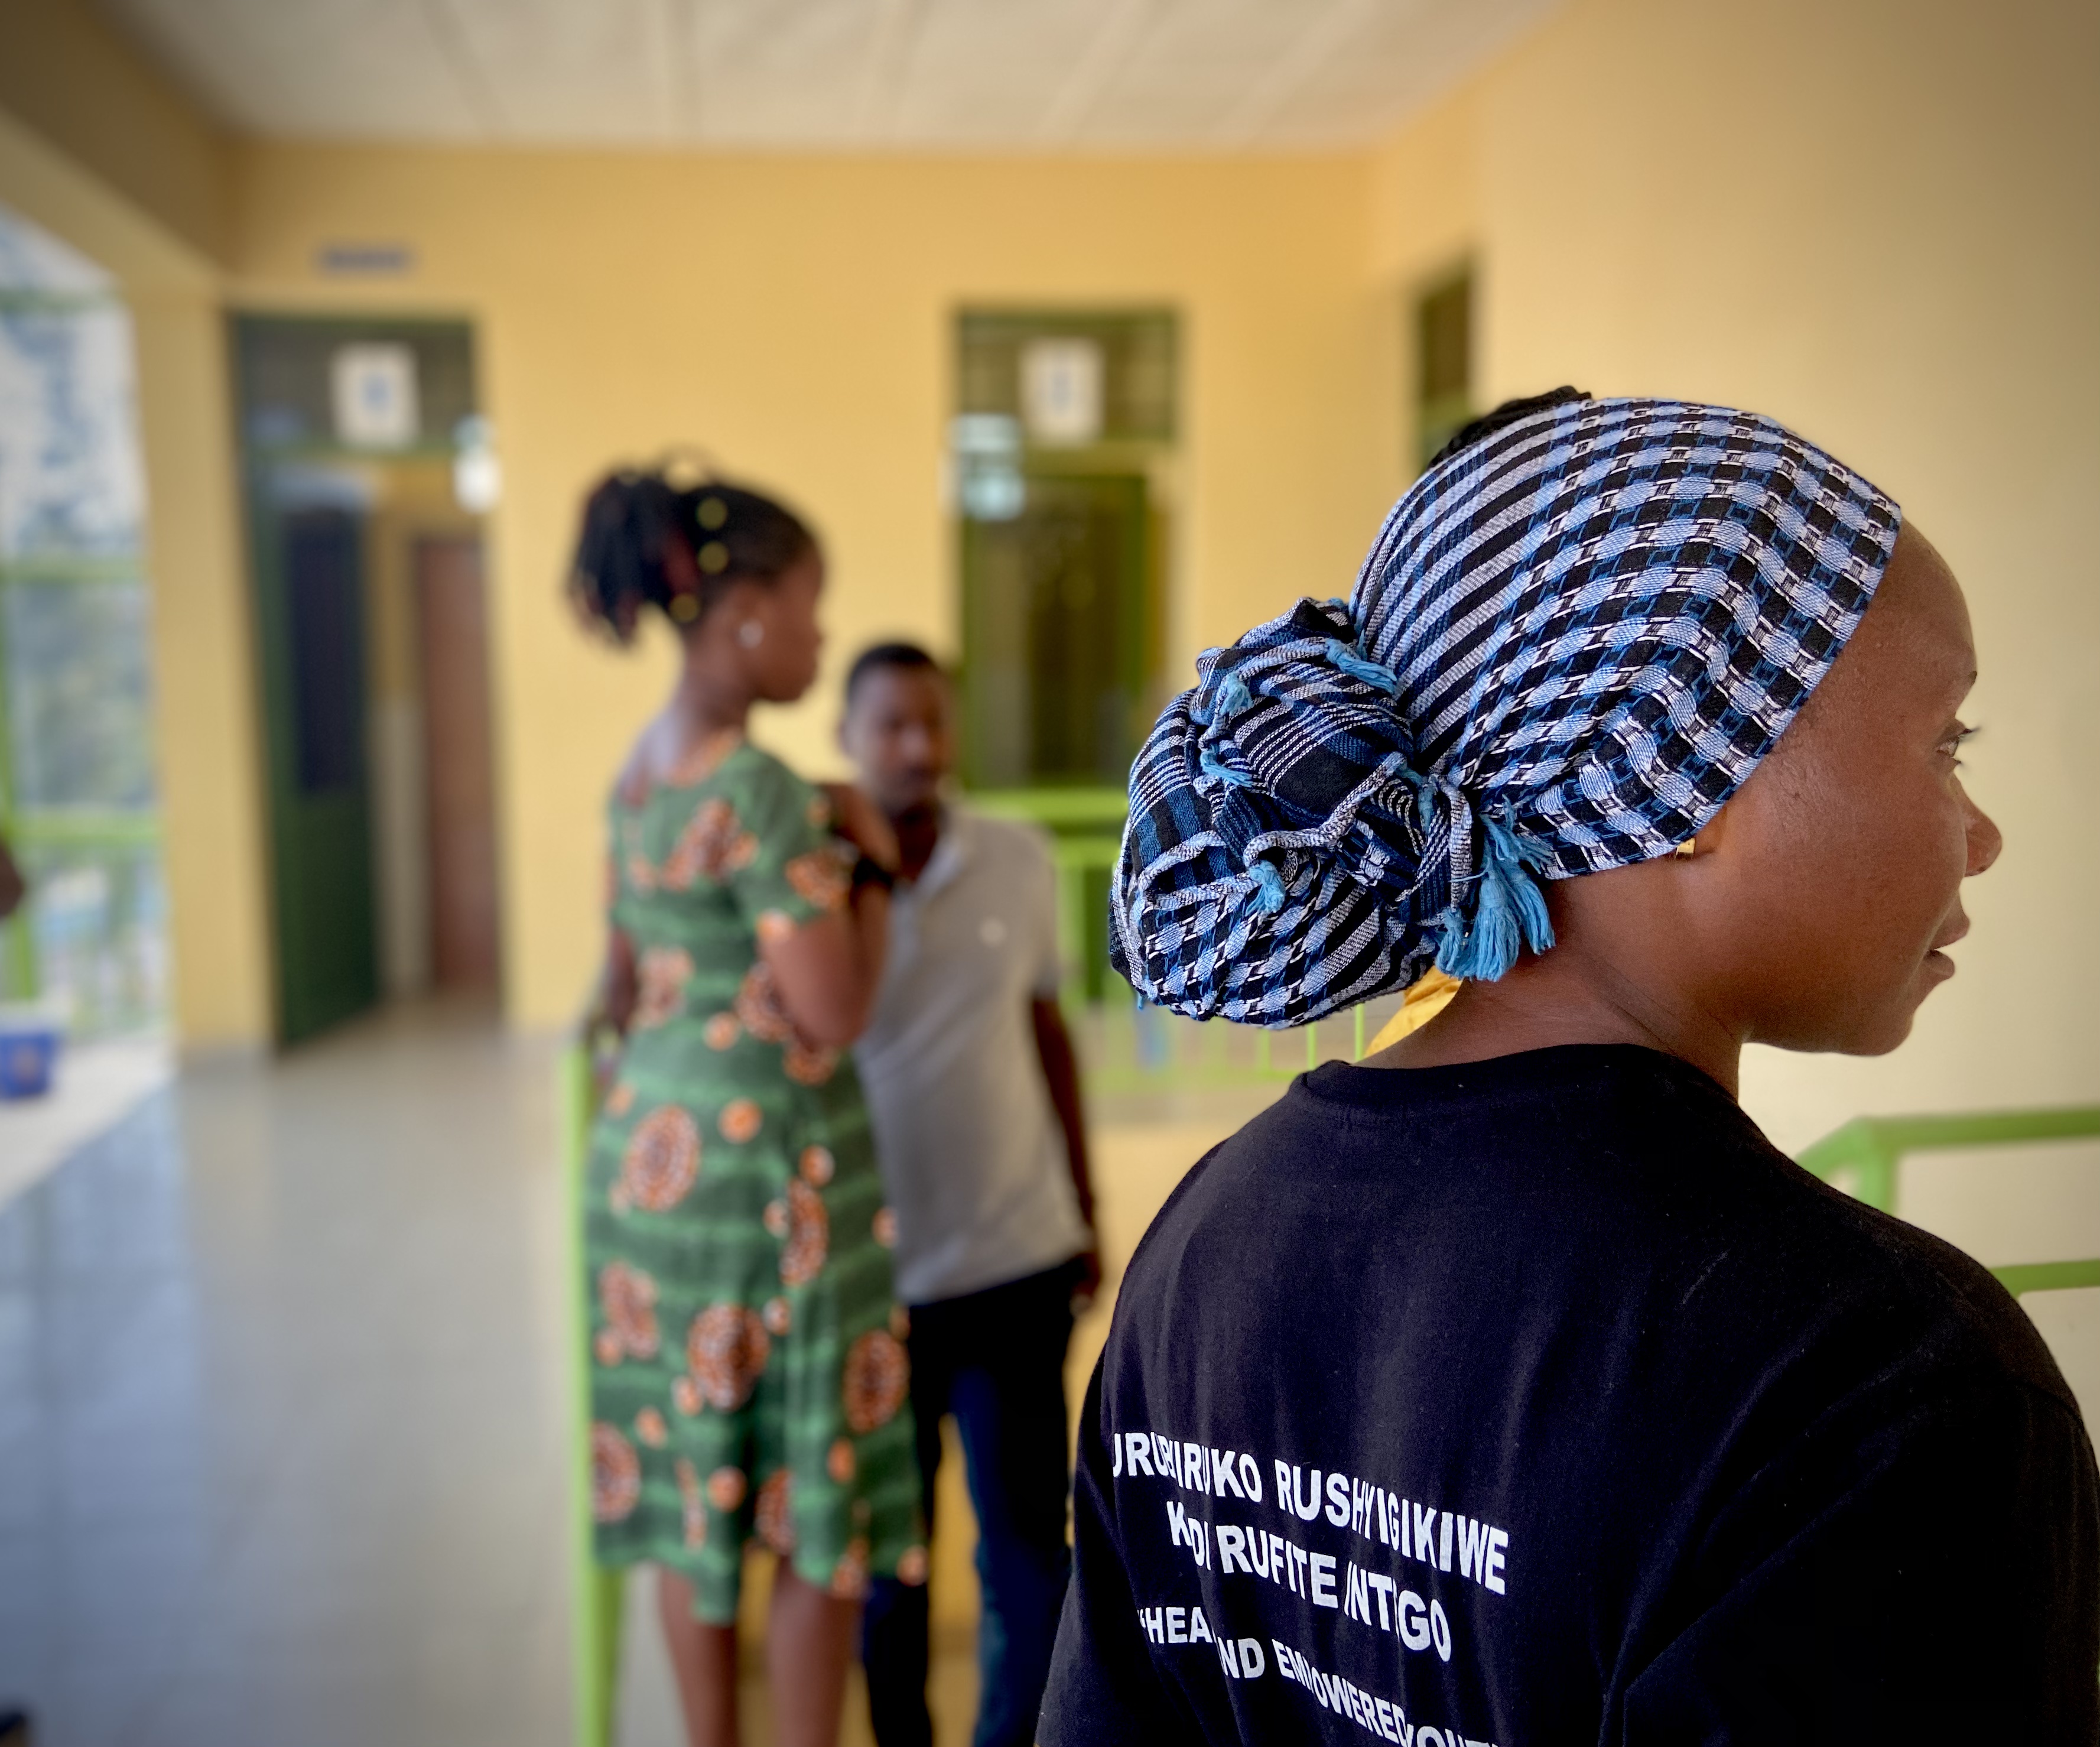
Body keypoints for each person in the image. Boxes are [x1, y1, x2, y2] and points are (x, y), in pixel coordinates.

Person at [1041, 391, 2099, 1740]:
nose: (1983, 832)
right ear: (1694, 772)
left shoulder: (1208, 1232)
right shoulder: (1884, 1382)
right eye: (1946, 740)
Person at [571, 470, 924, 1747]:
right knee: (812, 1512)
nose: (824, 637)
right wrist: (872, 869)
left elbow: (618, 986)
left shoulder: (638, 779)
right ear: (746, 612)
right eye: (812, 605)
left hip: (646, 1178)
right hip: (769, 1182)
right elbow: (831, 1007)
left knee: (694, 1482)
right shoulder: (762, 791)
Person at [838, 642, 1099, 1747]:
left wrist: (1084, 1208)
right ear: (848, 742)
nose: (916, 747)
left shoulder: (1017, 857)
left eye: (932, 723)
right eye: (889, 725)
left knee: (1028, 1552)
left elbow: (1048, 1034)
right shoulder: (811, 883)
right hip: (871, 1286)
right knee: (891, 1569)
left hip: (1014, 1264)